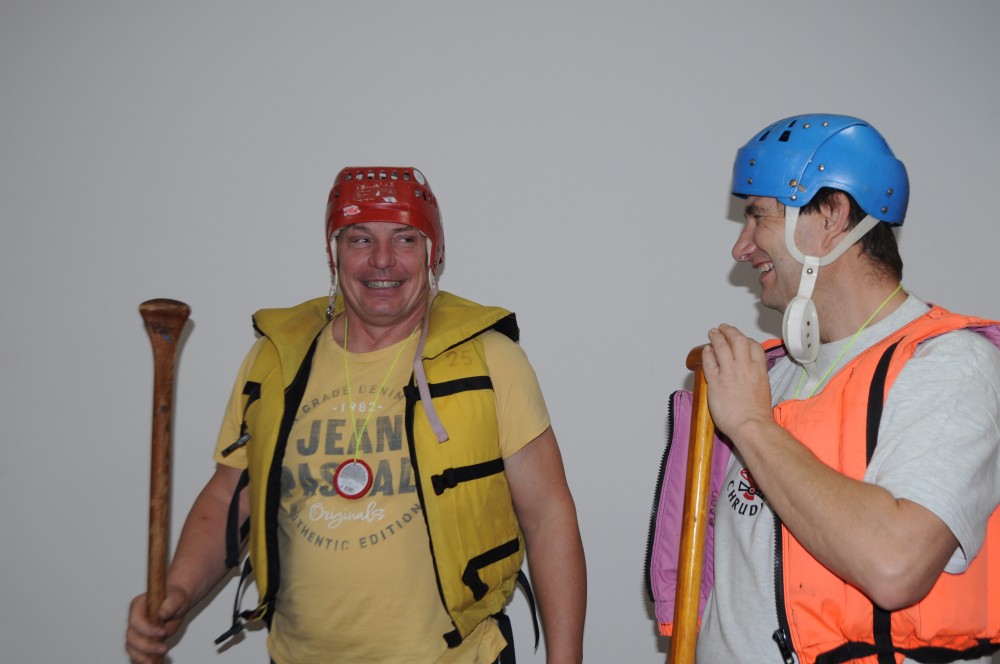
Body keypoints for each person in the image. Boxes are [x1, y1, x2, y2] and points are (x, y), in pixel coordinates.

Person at [125, 166, 586, 664]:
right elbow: (229, 498)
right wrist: (178, 590)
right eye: (360, 239)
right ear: (334, 254)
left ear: (433, 254)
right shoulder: (275, 361)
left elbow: (548, 516)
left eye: (405, 238)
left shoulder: (491, 359)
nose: (382, 259)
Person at [696, 115, 1000, 663]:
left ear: (833, 215)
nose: (741, 247)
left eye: (758, 215)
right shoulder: (773, 376)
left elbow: (895, 566)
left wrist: (751, 424)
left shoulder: (952, 367)